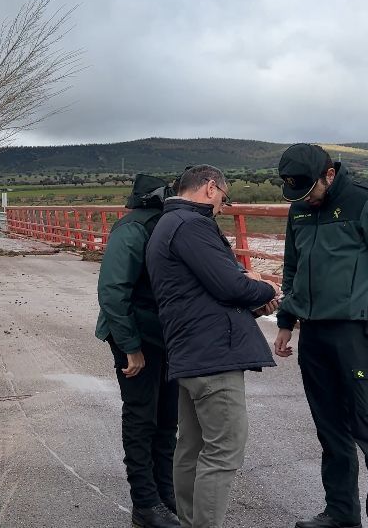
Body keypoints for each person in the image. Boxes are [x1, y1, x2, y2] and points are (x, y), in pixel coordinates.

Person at [272, 144, 368, 528]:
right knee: (330, 431)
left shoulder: (367, 203)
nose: (304, 198)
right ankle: (340, 512)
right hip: (314, 336)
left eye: (308, 190)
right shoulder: (300, 209)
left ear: (330, 175)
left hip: (359, 335)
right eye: (296, 192)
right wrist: (285, 321)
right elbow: (294, 267)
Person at [145, 164, 279, 528]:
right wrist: (265, 289)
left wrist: (248, 296)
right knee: (224, 450)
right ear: (209, 187)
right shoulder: (192, 225)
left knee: (191, 447)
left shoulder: (168, 224)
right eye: (224, 195)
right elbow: (228, 285)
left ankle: (190, 521)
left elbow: (199, 292)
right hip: (212, 357)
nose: (223, 204)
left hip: (192, 351)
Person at [95, 174, 180, 528]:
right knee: (142, 417)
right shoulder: (132, 229)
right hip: (134, 336)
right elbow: (113, 291)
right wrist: (131, 348)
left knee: (166, 420)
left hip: (165, 337)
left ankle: (166, 494)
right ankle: (145, 503)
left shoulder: (158, 225)